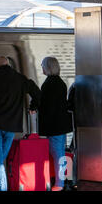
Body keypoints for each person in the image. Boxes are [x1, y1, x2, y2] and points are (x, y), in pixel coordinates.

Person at [0, 55, 41, 191]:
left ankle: (1, 188)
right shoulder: (19, 78)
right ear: (8, 64)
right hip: (11, 127)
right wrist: (33, 106)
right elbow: (37, 93)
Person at [29, 57, 73, 191]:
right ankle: (63, 181)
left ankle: (60, 184)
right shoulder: (59, 82)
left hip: (54, 126)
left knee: (57, 153)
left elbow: (43, 101)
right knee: (58, 153)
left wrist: (33, 106)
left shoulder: (49, 83)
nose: (41, 68)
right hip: (59, 125)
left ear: (48, 67)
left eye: (42, 65)